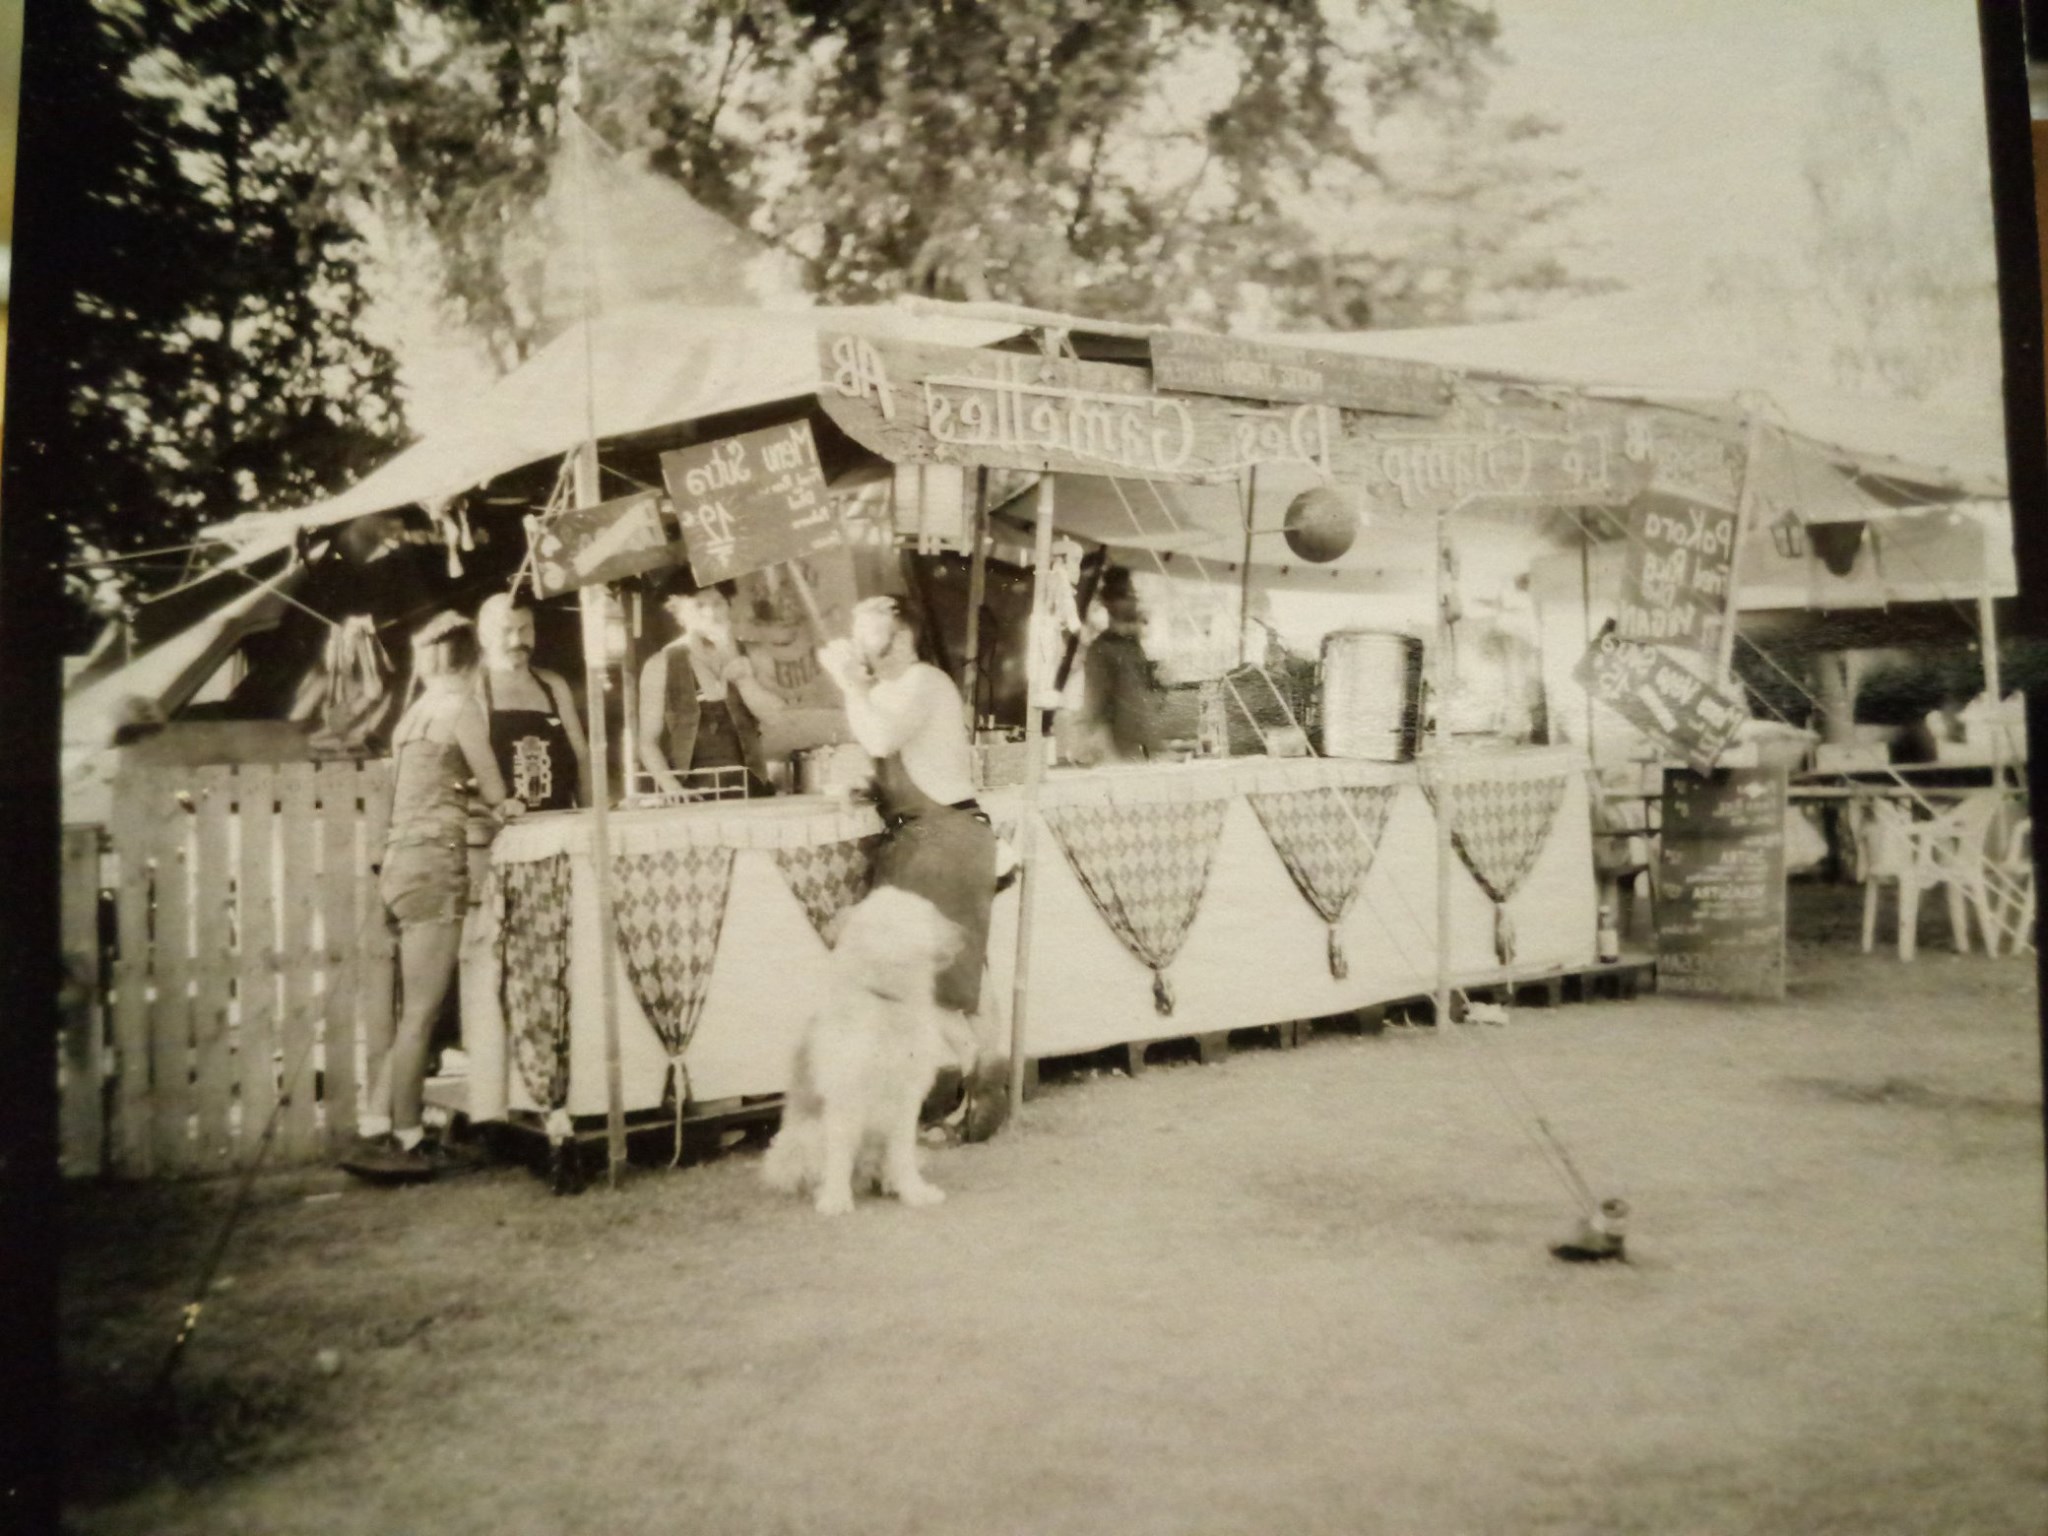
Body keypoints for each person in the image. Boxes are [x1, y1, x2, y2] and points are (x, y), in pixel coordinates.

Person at [817, 595, 1008, 1139]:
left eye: (865, 630)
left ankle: (975, 1097)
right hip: (923, 836)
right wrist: (870, 788)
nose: (855, 640)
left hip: (944, 837)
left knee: (934, 975)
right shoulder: (887, 690)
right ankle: (978, 1097)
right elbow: (900, 756)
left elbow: (880, 736)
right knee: (966, 975)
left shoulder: (927, 682)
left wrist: (849, 684)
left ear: (899, 637)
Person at [343, 614, 522, 1181]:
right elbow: (493, 788)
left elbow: (415, 790)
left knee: (410, 1011)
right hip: (434, 864)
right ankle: (408, 1137)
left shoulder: (412, 714)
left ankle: (377, 1122)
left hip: (399, 863)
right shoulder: (462, 707)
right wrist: (507, 807)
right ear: (472, 662)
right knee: (423, 1011)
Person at [636, 575, 785, 798]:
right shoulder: (660, 665)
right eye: (699, 605)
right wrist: (672, 789)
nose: (710, 613)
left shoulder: (755, 655)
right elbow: (647, 741)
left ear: (729, 606)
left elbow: (776, 718)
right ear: (680, 613)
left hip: (751, 790)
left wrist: (742, 675)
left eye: (718, 603)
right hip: (690, 792)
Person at [475, 591, 591, 810]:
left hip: (559, 822)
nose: (517, 641)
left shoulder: (553, 685)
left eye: (524, 629)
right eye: (506, 631)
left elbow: (582, 758)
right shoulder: (475, 690)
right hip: (502, 830)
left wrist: (592, 813)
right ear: (483, 636)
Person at [1073, 565, 1166, 764]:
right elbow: (1094, 706)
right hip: (1120, 753)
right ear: (1109, 602)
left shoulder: (1134, 646)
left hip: (1147, 747)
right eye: (1125, 595)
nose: (1133, 601)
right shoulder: (1101, 649)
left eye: (1134, 595)